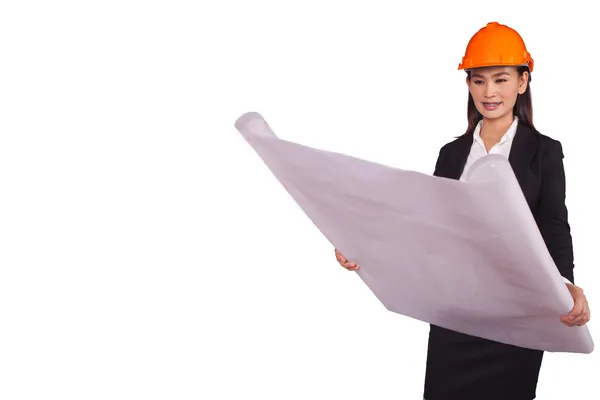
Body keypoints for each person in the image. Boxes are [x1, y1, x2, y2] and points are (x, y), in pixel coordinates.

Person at [334, 22, 591, 400]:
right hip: (455, 310)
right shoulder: (451, 154)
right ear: (468, 85)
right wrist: (366, 247)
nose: (489, 92)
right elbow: (429, 227)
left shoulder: (544, 151)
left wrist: (565, 285)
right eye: (478, 80)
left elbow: (554, 223)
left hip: (517, 311)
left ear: (522, 82)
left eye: (501, 79)